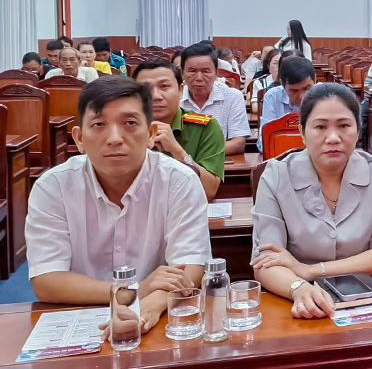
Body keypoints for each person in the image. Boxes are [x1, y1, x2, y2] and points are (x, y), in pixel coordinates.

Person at [25, 77, 210, 331]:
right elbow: (47, 281)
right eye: (99, 124)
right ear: (78, 139)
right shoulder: (53, 186)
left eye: (130, 123)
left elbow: (190, 267)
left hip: (158, 319)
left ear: (151, 134)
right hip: (76, 317)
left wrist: (151, 305)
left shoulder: (179, 181)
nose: (114, 138)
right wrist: (132, 291)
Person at [250, 83, 372, 319]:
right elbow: (266, 261)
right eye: (320, 127)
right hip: (299, 305)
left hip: (367, 298)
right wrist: (298, 287)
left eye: (344, 126)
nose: (333, 138)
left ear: (358, 129)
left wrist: (310, 270)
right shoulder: (276, 175)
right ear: (302, 132)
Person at [133, 59, 225, 200]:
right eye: (146, 89)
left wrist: (177, 151)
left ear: (180, 90)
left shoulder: (206, 127)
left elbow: (209, 191)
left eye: (164, 86)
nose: (156, 96)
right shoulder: (124, 129)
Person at [179, 43, 251, 155]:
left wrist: (193, 155)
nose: (199, 78)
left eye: (206, 71)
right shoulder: (174, 98)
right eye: (192, 71)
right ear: (182, 73)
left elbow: (238, 144)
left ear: (216, 72)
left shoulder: (232, 97)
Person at [258, 57, 316, 151]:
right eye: (294, 90)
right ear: (282, 84)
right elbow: (263, 142)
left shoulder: (327, 96)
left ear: (315, 80)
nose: (302, 96)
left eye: (307, 88)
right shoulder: (272, 97)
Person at [250, 48, 282, 114]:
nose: (278, 67)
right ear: (268, 66)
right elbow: (255, 108)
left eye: (282, 63)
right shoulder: (260, 83)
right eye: (275, 63)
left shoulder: (291, 82)